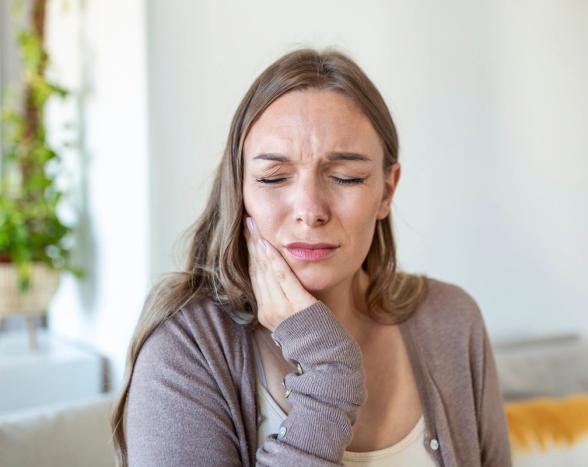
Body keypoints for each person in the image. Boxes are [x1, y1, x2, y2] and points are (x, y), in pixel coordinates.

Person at [110, 48, 512, 467]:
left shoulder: (452, 319)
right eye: (274, 178)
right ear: (240, 188)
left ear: (387, 191)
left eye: (345, 177)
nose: (310, 209)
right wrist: (329, 371)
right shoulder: (186, 347)